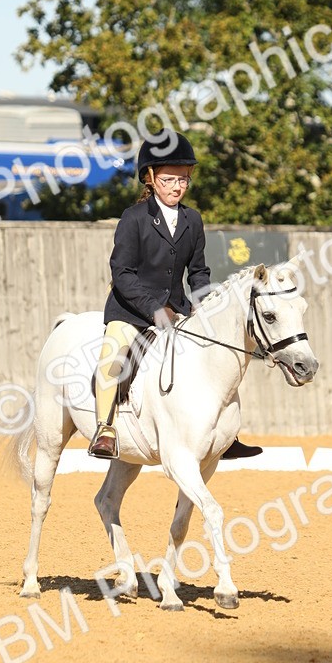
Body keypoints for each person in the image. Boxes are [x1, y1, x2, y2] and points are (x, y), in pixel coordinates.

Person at [88, 130, 262, 461]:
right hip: (131, 313)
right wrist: (154, 309)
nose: (178, 187)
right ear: (151, 179)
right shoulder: (133, 218)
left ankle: (225, 434)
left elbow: (198, 271)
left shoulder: (192, 220)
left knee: (215, 358)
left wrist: (204, 306)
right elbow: (121, 274)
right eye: (169, 179)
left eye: (184, 179)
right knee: (112, 358)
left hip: (177, 310)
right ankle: (104, 429)